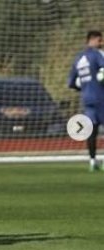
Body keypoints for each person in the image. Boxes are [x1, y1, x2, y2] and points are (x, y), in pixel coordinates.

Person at [68, 30, 104, 171]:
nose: (101, 43)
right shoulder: (96, 55)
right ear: (93, 39)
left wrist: (83, 87)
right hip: (100, 97)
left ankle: (92, 161)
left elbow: (71, 82)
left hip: (87, 99)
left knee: (92, 131)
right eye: (99, 40)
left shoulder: (78, 58)